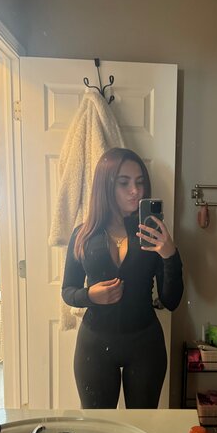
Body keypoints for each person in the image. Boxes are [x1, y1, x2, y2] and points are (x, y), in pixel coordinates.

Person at [62, 147, 183, 409]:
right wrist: (90, 295)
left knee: (142, 427)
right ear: (106, 186)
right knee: (97, 427)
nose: (135, 191)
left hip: (145, 345)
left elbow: (171, 300)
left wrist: (170, 255)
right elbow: (68, 290)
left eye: (140, 182)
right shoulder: (83, 235)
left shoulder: (153, 234)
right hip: (94, 345)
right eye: (124, 183)